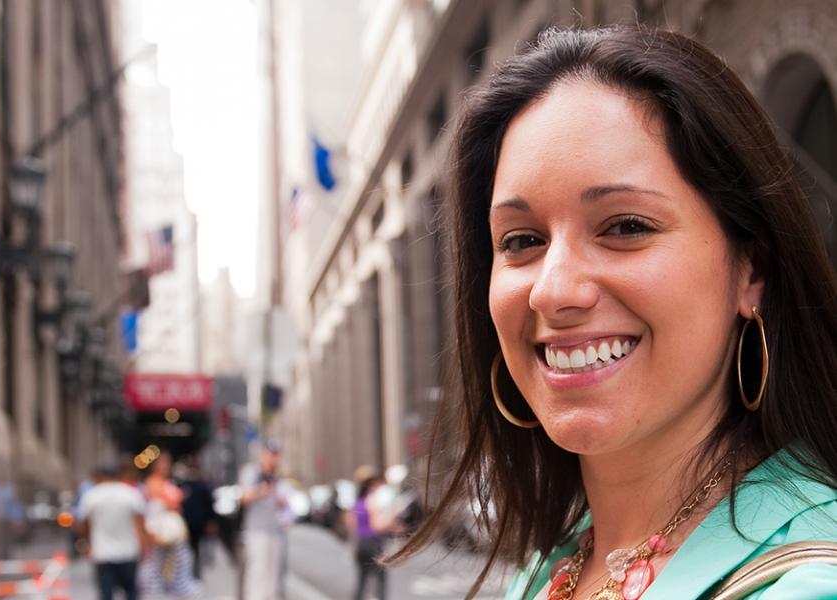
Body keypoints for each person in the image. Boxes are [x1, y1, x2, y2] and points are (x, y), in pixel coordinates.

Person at [389, 25, 837, 600]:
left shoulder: (807, 583)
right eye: (522, 240)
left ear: (752, 271)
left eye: (626, 227)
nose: (553, 292)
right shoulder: (555, 565)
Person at [78, 463, 147, 600]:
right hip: (128, 550)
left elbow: (83, 524)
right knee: (131, 591)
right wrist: (144, 546)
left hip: (102, 552)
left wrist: (86, 543)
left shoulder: (92, 495)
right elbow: (140, 524)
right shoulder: (131, 493)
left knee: (106, 592)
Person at [138, 451, 200, 598]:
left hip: (172, 533)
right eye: (162, 463)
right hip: (158, 530)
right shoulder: (152, 483)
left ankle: (176, 591)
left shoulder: (168, 482)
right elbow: (155, 508)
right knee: (155, 568)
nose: (165, 466)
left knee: (178, 565)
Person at [239, 439, 290, 600]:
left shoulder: (277, 476)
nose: (273, 459)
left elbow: (283, 502)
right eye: (270, 454)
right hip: (256, 530)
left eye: (276, 455)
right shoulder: (252, 472)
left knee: (274, 575)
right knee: (257, 573)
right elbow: (244, 497)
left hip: (276, 530)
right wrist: (262, 491)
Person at [348, 466, 403, 600]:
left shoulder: (358, 501)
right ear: (372, 484)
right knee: (381, 582)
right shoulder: (372, 501)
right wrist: (393, 518)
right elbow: (376, 526)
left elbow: (351, 523)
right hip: (374, 544)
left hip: (361, 544)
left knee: (362, 582)